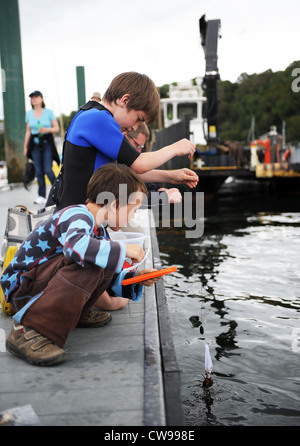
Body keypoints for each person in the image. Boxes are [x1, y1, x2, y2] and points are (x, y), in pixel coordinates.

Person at [0, 163, 159, 366]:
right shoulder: (77, 216)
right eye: (132, 210)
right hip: (22, 288)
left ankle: (76, 312)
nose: (132, 217)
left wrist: (134, 279)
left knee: (103, 254)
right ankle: (30, 331)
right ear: (115, 205)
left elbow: (106, 268)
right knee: (93, 256)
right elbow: (76, 249)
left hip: (40, 285)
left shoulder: (98, 230)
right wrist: (124, 249)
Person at [47, 71, 198, 210]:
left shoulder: (91, 114)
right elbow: (139, 163)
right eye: (138, 119)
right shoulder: (98, 119)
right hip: (76, 219)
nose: (134, 127)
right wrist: (175, 148)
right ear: (125, 101)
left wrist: (171, 176)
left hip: (79, 215)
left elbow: (129, 170)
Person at [125, 123, 182, 205]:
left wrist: (158, 189)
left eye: (141, 147)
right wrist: (164, 197)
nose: (139, 151)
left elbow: (135, 181)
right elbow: (128, 195)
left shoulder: (122, 161)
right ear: (125, 137)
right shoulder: (114, 162)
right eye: (137, 145)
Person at [24, 91, 60, 205]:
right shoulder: (29, 114)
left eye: (36, 97)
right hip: (34, 144)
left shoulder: (49, 113)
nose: (34, 99)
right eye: (32, 98)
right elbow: (28, 131)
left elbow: (56, 128)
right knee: (38, 171)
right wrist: (25, 146)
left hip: (47, 143)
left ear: (41, 99)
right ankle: (41, 195)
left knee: (48, 170)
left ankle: (58, 192)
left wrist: (46, 129)